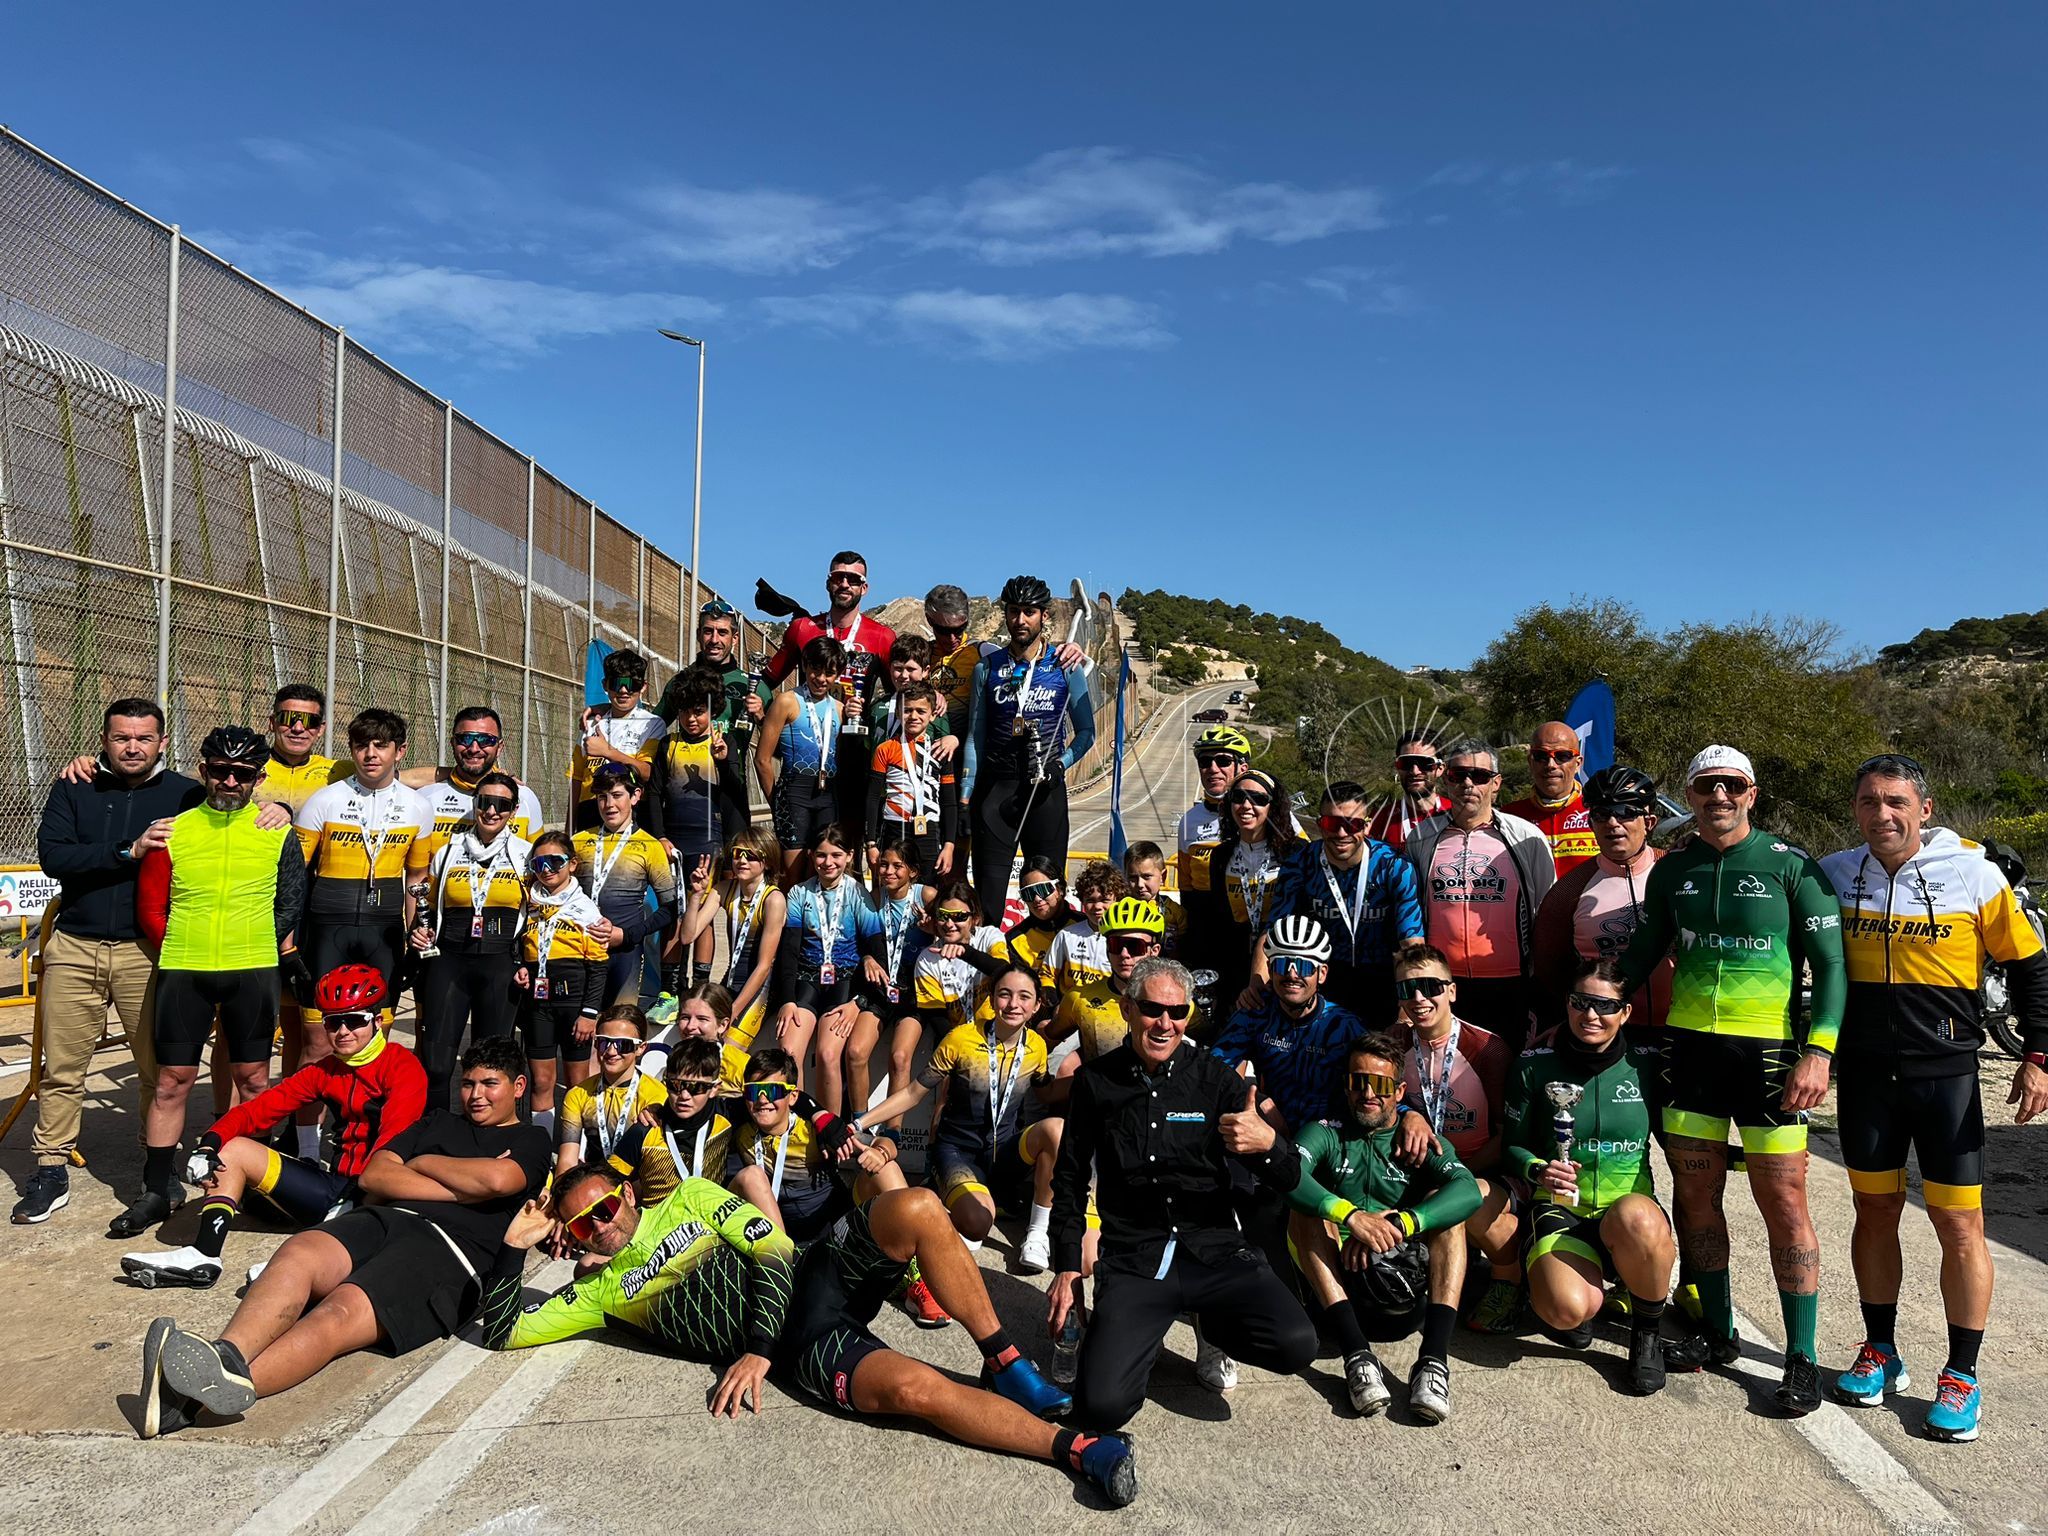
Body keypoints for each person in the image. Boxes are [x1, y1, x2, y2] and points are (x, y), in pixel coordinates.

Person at [484, 1164, 1138, 1506]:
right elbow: (504, 1328)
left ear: (626, 1194)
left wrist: (756, 1351)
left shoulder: (688, 1198)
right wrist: (514, 1249)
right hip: (805, 1349)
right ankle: (1074, 1447)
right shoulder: (598, 1294)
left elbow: (769, 1252)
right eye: (580, 1228)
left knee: (917, 1207)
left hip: (813, 1279)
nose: (598, 1227)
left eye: (602, 1209)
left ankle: (1004, 1360)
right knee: (915, 1389)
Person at [138, 1036, 551, 1439]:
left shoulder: (530, 1139)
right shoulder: (437, 1122)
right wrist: (462, 1186)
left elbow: (499, 1180)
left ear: (517, 1087)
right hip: (382, 1218)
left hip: (449, 1251)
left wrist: (422, 1163)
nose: (475, 1095)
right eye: (468, 1083)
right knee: (300, 1251)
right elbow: (375, 1174)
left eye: (489, 1084)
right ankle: (227, 1354)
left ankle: (187, 1401)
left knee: (338, 1312)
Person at [1819, 753, 2048, 1440]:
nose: (1881, 815)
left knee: (1959, 1225)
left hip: (1945, 1074)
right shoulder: (1834, 874)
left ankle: (1963, 1374)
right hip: (1864, 1075)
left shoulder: (1974, 875)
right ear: (1856, 809)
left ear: (1925, 809)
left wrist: (2038, 1058)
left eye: (1895, 802)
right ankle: (1880, 1349)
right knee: (1875, 1211)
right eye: (1867, 802)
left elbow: (2033, 967)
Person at [1618, 744, 1846, 1414]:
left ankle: (1801, 1358)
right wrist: (1591, 1010)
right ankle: (1717, 1333)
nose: (1718, 796)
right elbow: (1642, 952)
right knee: (1695, 1200)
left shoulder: (1790, 866)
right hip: (1689, 1053)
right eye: (1704, 786)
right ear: (1688, 796)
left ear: (1752, 792)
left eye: (1731, 785)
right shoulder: (1675, 870)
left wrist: (1820, 1052)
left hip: (1770, 1058)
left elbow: (1831, 967)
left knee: (1785, 1207)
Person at [1046, 957, 1319, 1430]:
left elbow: (1287, 1174)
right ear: (1129, 1009)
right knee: (1102, 1409)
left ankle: (1210, 1324)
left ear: (1190, 1015)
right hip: (1136, 1257)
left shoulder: (1216, 1079)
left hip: (1213, 1249)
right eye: (1152, 1009)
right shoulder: (1095, 1082)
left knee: (1297, 1345)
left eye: (1177, 1012)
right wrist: (1068, 1267)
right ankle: (1134, 1336)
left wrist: (1268, 1143)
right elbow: (1069, 1179)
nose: (1165, 1023)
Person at [1221, 1033, 1481, 1423]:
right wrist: (1351, 1218)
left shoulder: (1418, 1137)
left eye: (1380, 1085)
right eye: (1357, 1082)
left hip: (1406, 1291)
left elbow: (1469, 1191)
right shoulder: (1324, 1132)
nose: (1367, 1094)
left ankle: (1433, 1361)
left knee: (1451, 1218)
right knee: (1306, 1211)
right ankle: (1356, 1356)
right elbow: (1289, 1176)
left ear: (1399, 1091)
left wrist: (1402, 1222)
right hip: (1340, 1296)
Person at [118, 966, 427, 1290]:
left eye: (355, 1020)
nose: (343, 1031)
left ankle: (308, 1263)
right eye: (333, 1022)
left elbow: (392, 1151)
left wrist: (356, 1203)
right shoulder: (325, 1070)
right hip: (335, 1190)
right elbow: (257, 1111)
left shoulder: (403, 1068)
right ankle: (204, 1254)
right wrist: (209, 1143)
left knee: (279, 1273)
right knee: (232, 1149)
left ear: (377, 1022)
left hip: (380, 1196)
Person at [14, 699, 202, 1226]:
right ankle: (51, 1168)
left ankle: (157, 1163)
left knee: (155, 1068)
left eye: (144, 738)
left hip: (146, 951)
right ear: (104, 739)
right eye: (122, 738)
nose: (133, 747)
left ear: (163, 743)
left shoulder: (186, 794)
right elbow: (54, 856)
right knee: (63, 1068)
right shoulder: (75, 785)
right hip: (75, 945)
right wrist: (128, 850)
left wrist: (275, 807)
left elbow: (238, 802)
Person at [119, 726, 309, 1239]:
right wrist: (183, 950)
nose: (229, 780)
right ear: (202, 770)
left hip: (251, 970)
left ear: (257, 778)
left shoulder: (277, 832)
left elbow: (290, 902)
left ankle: (254, 1184)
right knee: (171, 1083)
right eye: (219, 770)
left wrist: (257, 951)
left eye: (242, 773)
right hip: (185, 969)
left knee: (254, 1083)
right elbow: (150, 909)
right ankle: (157, 1189)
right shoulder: (173, 830)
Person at [1505, 960, 1673, 1396]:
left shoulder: (1646, 1065)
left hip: (1627, 1214)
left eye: (1604, 1005)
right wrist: (1538, 1168)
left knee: (1640, 1219)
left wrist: (1745, 1158)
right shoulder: (1534, 1064)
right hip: (1561, 1208)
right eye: (1581, 1003)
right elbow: (1511, 1145)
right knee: (1567, 1311)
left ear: (1626, 1012)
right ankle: (1577, 1289)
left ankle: (1647, 1333)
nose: (1591, 1015)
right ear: (1568, 1003)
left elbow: (1688, 1139)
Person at [292, 708, 436, 1160]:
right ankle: (308, 1149)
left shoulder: (417, 806)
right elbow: (295, 877)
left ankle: (363, 1137)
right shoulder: (325, 799)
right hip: (327, 929)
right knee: (319, 1041)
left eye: (380, 746)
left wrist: (418, 931)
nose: (370, 754)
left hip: (383, 934)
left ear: (400, 752)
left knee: (376, 1040)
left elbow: (418, 879)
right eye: (361, 745)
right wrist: (288, 941)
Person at [854, 965, 1063, 1270]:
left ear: (1036, 1006)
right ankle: (948, 1194)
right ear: (991, 999)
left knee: (1056, 1129)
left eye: (1024, 996)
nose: (1013, 1004)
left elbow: (1046, 1093)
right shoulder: (961, 1038)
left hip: (1005, 1153)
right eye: (1004, 994)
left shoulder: (1037, 1046)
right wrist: (862, 1122)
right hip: (958, 1151)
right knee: (978, 1223)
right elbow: (914, 1092)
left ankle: (1036, 1234)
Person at [1385, 945, 1521, 1335]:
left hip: (1481, 1173)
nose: (1418, 999)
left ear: (1452, 991)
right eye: (1406, 990)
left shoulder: (1487, 1048)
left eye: (1430, 987)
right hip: (1416, 1172)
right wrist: (1409, 1114)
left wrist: (1455, 1174)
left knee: (1464, 1198)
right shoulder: (1393, 1041)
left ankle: (1508, 1281)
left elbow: (1504, 1133)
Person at [961, 574, 1096, 927]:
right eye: (1014, 611)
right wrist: (965, 797)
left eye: (1029, 612)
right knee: (988, 907)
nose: (1020, 620)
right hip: (995, 793)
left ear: (1044, 616)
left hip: (1044, 791)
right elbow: (975, 737)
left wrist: (1060, 764)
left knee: (1049, 904)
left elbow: (1086, 733)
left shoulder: (1066, 667)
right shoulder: (986, 668)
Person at [1404, 739, 1556, 1052]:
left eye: (1480, 776)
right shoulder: (1422, 837)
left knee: (1508, 1074)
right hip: (1443, 984)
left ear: (1496, 784)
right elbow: (1411, 910)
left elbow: (1547, 910)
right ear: (1446, 779)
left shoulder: (1526, 836)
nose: (1468, 784)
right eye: (1459, 775)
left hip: (1511, 984)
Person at [403, 771, 530, 1111]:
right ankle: (434, 1130)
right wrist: (418, 930)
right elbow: (426, 903)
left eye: (502, 805)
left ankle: (489, 1133)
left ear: (513, 810)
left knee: (492, 1064)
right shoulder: (448, 851)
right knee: (437, 1060)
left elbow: (541, 910)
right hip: (449, 961)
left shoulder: (527, 855)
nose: (492, 811)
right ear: (475, 804)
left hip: (500, 964)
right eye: (485, 802)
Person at [759, 552, 898, 853]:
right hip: (808, 754)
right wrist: (759, 714)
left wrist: (934, 696)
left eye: (853, 579)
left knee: (848, 849)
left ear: (865, 587)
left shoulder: (882, 637)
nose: (845, 584)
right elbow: (768, 679)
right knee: (799, 858)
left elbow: (897, 692)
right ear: (828, 583)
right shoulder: (803, 629)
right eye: (838, 577)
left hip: (856, 756)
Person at [1261, 779, 1424, 1026]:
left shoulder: (1393, 866)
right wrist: (1256, 982)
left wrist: (1410, 1003)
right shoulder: (1299, 864)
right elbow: (1274, 931)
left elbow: (1411, 944)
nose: (1341, 833)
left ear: (1367, 826)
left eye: (1353, 824)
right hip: (1322, 977)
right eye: (1332, 823)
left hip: (1383, 979)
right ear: (1319, 824)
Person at [1530, 765, 1670, 1035]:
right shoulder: (1569, 890)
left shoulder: (1676, 871)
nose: (1613, 823)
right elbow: (1550, 972)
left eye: (1626, 812)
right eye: (1601, 814)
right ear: (1590, 822)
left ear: (1650, 822)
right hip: (1606, 1035)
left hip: (1679, 1028)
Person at [728, 1047, 905, 1241]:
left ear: (793, 1096)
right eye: (754, 1091)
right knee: (748, 1177)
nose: (762, 1099)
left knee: (886, 1169)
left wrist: (881, 1153)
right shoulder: (738, 1130)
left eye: (773, 1091)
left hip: (830, 1231)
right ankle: (778, 1262)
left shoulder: (813, 1131)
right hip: (774, 1234)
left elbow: (884, 1142)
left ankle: (907, 1248)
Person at [1213, 915, 1364, 1134]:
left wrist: (1410, 1114)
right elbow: (1214, 1070)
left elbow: (1376, 1086)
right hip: (1269, 1133)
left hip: (1330, 1136)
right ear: (1271, 969)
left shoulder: (1343, 1026)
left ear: (1321, 974)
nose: (1292, 974)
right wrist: (1256, 1098)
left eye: (1303, 966)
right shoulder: (1255, 1014)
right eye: (1283, 964)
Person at [768, 823, 882, 1112]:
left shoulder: (858, 894)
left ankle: (829, 1134)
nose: (828, 862)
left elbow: (876, 952)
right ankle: (796, 1127)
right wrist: (788, 1000)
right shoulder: (798, 894)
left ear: (849, 856)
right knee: (789, 1053)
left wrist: (859, 1002)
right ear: (810, 855)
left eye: (836, 855)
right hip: (807, 980)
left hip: (844, 982)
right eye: (820, 855)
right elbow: (789, 951)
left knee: (828, 1054)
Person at [644, 665, 745, 990]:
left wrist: (723, 760)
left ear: (712, 710)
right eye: (686, 711)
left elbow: (735, 791)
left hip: (709, 843)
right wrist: (659, 836)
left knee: (701, 916)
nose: (691, 719)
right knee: (673, 915)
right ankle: (670, 991)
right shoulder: (668, 745)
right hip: (672, 844)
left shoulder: (723, 742)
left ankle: (701, 986)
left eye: (699, 711)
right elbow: (655, 793)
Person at [515, 830, 615, 1132]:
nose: (546, 869)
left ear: (572, 864)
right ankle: (542, 1149)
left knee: (577, 1085)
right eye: (538, 863)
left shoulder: (586, 909)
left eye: (555, 862)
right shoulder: (529, 904)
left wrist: (589, 1014)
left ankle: (576, 1149)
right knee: (542, 1081)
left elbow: (599, 968)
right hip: (538, 1005)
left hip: (574, 1006)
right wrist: (519, 965)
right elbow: (517, 944)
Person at [1183, 768, 1304, 1014]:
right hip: (1233, 971)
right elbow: (1215, 920)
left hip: (1286, 967)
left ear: (1273, 806)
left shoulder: (1297, 852)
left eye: (1258, 799)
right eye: (1238, 797)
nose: (1246, 805)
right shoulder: (1220, 855)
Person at [656, 595, 767, 840]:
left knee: (733, 866)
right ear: (698, 635)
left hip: (731, 789)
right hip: (685, 792)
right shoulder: (681, 682)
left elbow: (779, 748)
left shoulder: (754, 685)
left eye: (722, 632)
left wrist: (760, 715)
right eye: (708, 631)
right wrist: (606, 710)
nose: (714, 640)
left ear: (734, 638)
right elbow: (652, 725)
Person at [669, 831, 785, 1055]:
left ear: (767, 862)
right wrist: (696, 896)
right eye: (737, 853)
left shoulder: (774, 899)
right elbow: (687, 936)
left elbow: (763, 967)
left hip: (762, 988)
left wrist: (733, 1011)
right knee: (703, 1041)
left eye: (751, 855)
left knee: (725, 1051)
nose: (741, 860)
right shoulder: (724, 888)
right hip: (730, 982)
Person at [572, 763, 678, 1008]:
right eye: (602, 797)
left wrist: (627, 935)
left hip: (624, 952)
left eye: (617, 795)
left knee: (619, 1030)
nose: (609, 805)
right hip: (579, 948)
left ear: (636, 796)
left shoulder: (650, 846)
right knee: (579, 1032)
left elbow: (670, 909)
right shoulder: (578, 842)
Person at [845, 841, 933, 1120]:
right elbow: (854, 941)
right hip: (882, 988)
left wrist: (935, 929)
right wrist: (867, 959)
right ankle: (859, 1125)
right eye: (884, 864)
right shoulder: (873, 898)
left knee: (899, 1058)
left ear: (914, 872)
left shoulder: (927, 895)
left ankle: (891, 1134)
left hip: (914, 991)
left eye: (898, 866)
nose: (889, 871)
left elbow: (956, 930)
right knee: (856, 1052)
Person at [756, 634, 847, 884]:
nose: (821, 678)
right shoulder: (787, 701)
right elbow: (762, 759)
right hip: (793, 792)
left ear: (837, 674)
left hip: (828, 794)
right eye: (815, 670)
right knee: (791, 877)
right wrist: (777, 803)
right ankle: (785, 924)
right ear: (805, 666)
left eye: (829, 672)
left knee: (820, 874)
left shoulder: (840, 708)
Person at [1045, 896, 1166, 1069]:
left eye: (1134, 946)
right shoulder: (1078, 998)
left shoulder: (1174, 999)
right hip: (1099, 1093)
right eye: (1116, 945)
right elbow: (1044, 1043)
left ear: (1154, 951)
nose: (1124, 954)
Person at [556, 1003, 666, 1183]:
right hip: (593, 1185)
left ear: (641, 1048)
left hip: (637, 1187)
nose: (611, 1051)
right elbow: (567, 1159)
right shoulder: (578, 1094)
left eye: (623, 1044)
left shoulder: (657, 1094)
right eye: (603, 1042)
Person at [398, 706, 545, 840]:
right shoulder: (425, 798)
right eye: (465, 739)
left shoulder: (524, 797)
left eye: (486, 740)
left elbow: (539, 861)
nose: (474, 748)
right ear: (453, 743)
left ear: (499, 747)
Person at [863, 681, 958, 881]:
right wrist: (871, 844)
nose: (913, 716)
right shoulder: (885, 749)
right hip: (894, 828)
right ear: (898, 713)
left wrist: (949, 844)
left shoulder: (941, 751)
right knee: (893, 886)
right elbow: (872, 797)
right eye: (907, 710)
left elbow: (949, 801)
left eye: (921, 711)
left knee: (928, 890)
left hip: (929, 830)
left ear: (932, 715)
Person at [573, 648, 667, 831]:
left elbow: (648, 773)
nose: (624, 690)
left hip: (631, 810)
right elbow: (576, 779)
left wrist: (607, 752)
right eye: (617, 683)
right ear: (605, 685)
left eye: (632, 684)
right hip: (590, 810)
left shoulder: (652, 724)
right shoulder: (590, 723)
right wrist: (569, 829)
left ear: (643, 686)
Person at [1503, 721, 1597, 874]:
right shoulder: (1509, 816)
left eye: (1562, 756)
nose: (1551, 765)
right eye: (1541, 756)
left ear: (1578, 763)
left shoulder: (1600, 811)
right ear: (1530, 762)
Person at [1176, 724, 1251, 894]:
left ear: (1243, 768)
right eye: (1205, 761)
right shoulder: (1189, 822)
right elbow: (1186, 885)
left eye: (1223, 761)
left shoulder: (1265, 811)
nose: (1213, 769)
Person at [1365, 731, 1448, 854]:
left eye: (1425, 763)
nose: (1415, 771)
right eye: (1406, 763)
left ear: (1440, 769)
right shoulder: (1379, 819)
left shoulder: (1455, 814)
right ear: (1397, 766)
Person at [1003, 858, 1073, 978]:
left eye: (1043, 889)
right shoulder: (1015, 940)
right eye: (1028, 893)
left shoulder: (1086, 926)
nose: (1037, 899)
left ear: (1060, 889)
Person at [1121, 841, 1186, 957]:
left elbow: (1184, 946)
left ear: (1163, 877)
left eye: (1147, 877)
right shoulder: (1120, 910)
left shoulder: (1176, 912)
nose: (1140, 884)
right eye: (1133, 878)